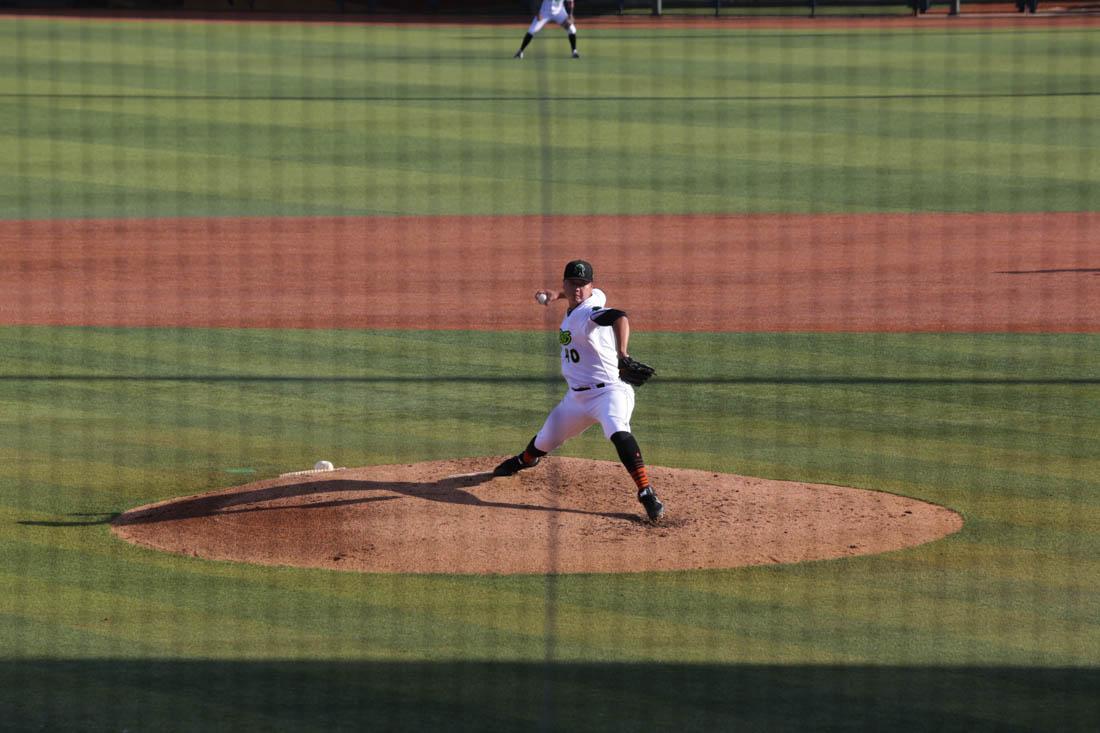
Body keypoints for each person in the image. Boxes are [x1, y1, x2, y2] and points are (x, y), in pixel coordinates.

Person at [493, 260, 664, 522]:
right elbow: (576, 295)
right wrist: (555, 295)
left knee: (618, 432)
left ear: (590, 286)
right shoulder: (592, 296)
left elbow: (619, 316)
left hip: (609, 393)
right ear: (566, 283)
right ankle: (524, 461)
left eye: (583, 285)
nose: (578, 289)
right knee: (542, 442)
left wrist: (622, 354)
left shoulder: (589, 312)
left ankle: (646, 492)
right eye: (573, 284)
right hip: (577, 398)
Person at [514, 0, 580, 59]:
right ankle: (520, 52)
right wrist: (537, 12)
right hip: (544, 13)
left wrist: (570, 15)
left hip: (559, 12)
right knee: (532, 30)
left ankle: (574, 52)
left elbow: (570, 2)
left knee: (572, 29)